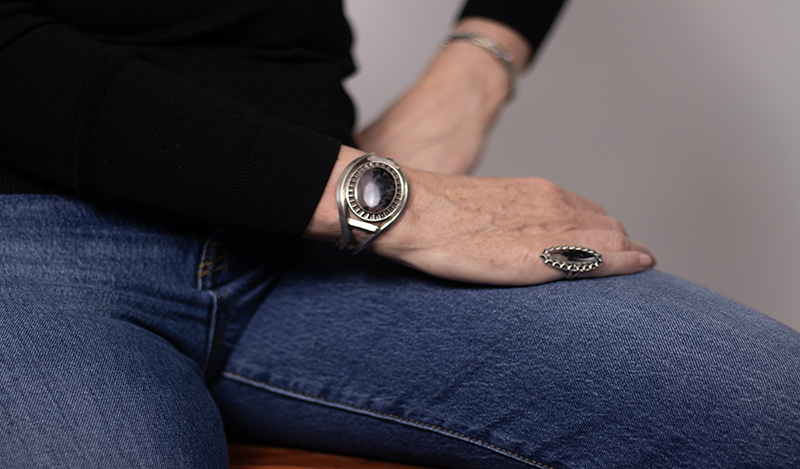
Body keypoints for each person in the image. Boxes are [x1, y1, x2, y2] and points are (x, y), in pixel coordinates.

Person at [0, 1, 798, 468]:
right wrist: (392, 202)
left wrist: (478, 63)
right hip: (27, 242)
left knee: (777, 410)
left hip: (310, 247)